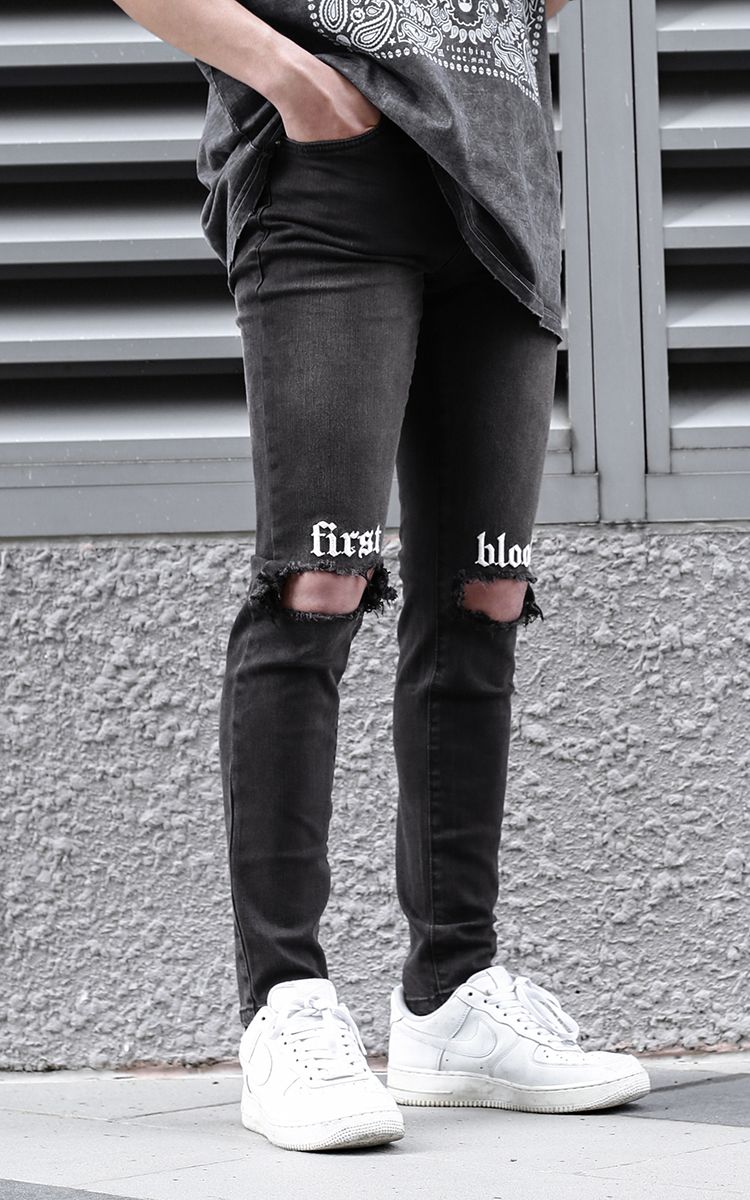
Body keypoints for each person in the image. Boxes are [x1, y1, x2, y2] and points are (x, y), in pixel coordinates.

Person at [115, 0, 651, 1152]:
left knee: (485, 594)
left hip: (503, 183)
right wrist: (298, 85)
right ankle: (287, 1001)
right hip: (331, 180)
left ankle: (452, 997)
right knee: (318, 580)